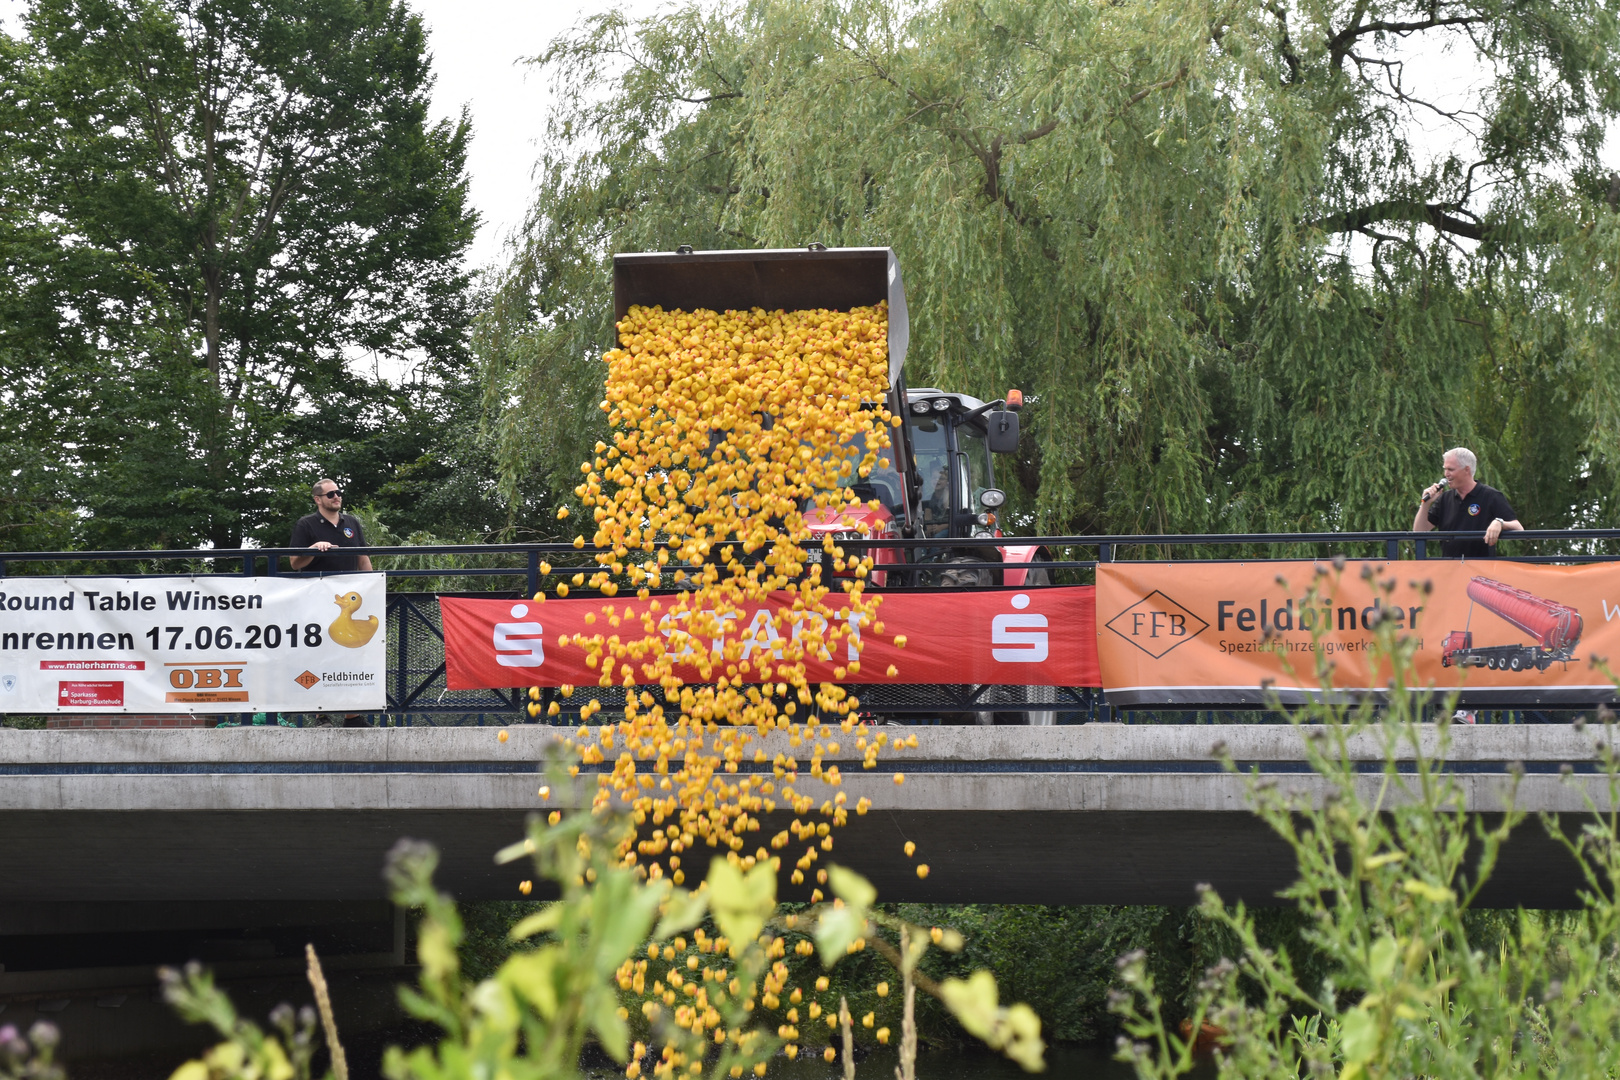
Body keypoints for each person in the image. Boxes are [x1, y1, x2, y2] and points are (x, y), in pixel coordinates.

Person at [1413, 447, 1522, 558]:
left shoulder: (1491, 496)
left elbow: (1518, 528)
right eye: (1445, 469)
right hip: (1449, 570)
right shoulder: (1444, 498)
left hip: (1481, 571)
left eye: (1450, 469)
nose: (1446, 474)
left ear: (1467, 470)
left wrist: (1500, 523)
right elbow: (1419, 532)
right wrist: (1425, 504)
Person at [288, 479, 373, 572]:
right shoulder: (305, 524)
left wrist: (371, 583)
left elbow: (363, 560)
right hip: (318, 584)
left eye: (338, 493)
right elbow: (295, 564)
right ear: (318, 500)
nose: (336, 497)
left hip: (349, 584)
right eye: (330, 494)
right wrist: (313, 549)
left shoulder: (352, 522)